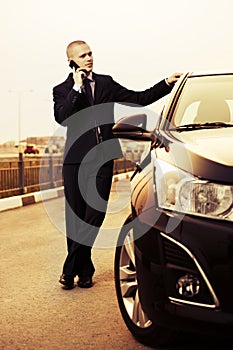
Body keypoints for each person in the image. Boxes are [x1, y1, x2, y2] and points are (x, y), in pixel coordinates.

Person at [53, 40, 181, 289]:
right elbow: (63, 117)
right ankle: (85, 271)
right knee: (76, 218)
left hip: (102, 158)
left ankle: (69, 269)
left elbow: (139, 98)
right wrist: (77, 89)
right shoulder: (62, 89)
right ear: (71, 61)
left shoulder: (106, 84)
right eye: (82, 55)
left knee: (95, 215)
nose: (89, 58)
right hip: (75, 160)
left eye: (90, 53)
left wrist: (166, 83)